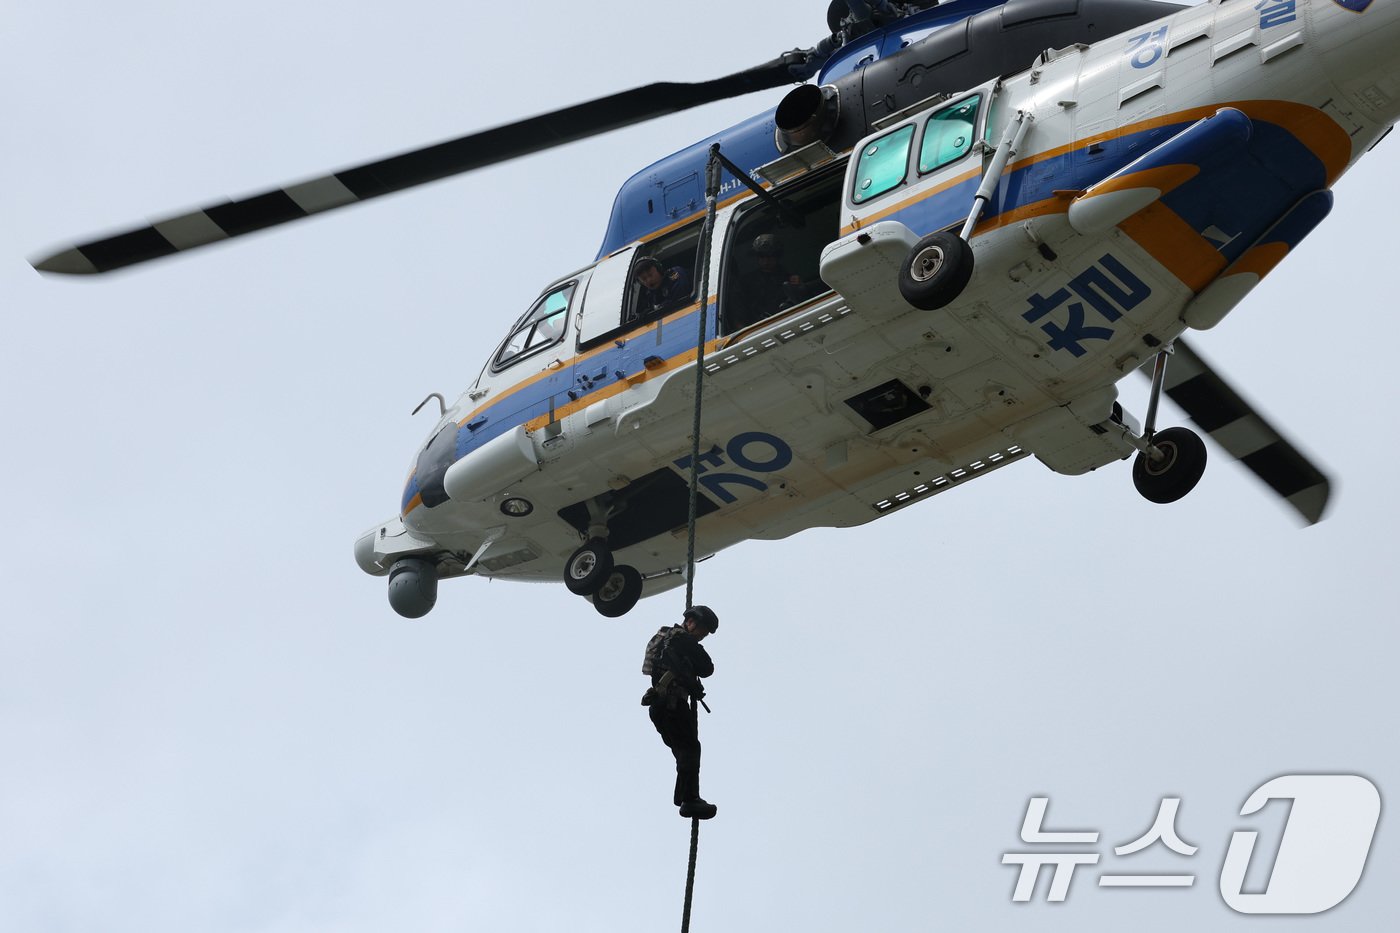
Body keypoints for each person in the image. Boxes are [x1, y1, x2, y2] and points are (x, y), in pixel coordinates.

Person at [641, 605, 719, 820]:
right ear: (691, 622)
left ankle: (686, 798)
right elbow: (707, 668)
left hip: (660, 706)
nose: (702, 636)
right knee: (690, 749)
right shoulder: (680, 639)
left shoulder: (664, 637)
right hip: (672, 704)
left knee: (685, 752)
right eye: (703, 630)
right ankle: (689, 800)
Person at [734, 234, 818, 328]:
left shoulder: (788, 278)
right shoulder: (746, 283)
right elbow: (739, 315)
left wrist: (800, 287)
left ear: (777, 256)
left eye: (770, 256)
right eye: (762, 256)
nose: (766, 261)